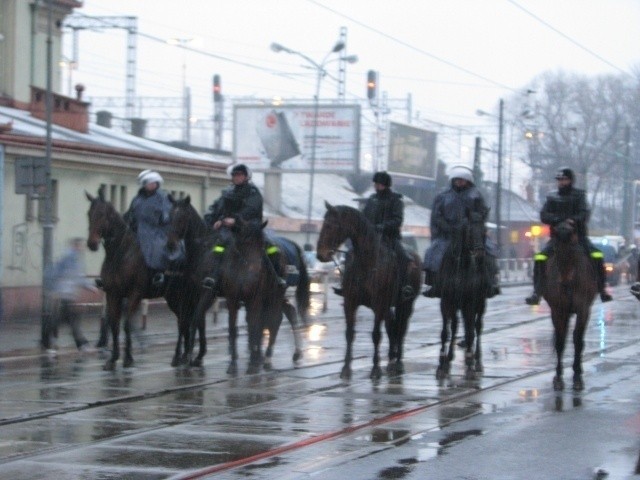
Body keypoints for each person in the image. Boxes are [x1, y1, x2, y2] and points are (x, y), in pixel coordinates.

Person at [525, 167, 613, 305]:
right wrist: (557, 220)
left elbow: (584, 213)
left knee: (597, 255)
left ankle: (602, 289)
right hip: (557, 238)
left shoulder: (579, 196)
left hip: (578, 237)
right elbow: (544, 215)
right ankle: (537, 291)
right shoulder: (552, 197)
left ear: (570, 180)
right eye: (559, 180)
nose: (561, 182)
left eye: (564, 179)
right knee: (540, 257)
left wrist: (573, 220)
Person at [202, 163, 286, 291]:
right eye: (234, 175)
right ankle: (213, 276)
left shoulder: (253, 192)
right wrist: (218, 220)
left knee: (270, 248)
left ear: (246, 176)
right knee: (218, 247)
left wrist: (235, 220)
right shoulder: (227, 193)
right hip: (230, 229)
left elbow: (251, 210)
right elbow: (219, 209)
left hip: (251, 228)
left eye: (240, 175)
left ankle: (277, 277)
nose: (237, 177)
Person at [422, 165, 500, 298]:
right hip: (448, 235)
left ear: (468, 181)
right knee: (433, 253)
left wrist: (470, 224)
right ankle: (433, 282)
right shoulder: (443, 196)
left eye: (462, 180)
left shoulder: (476, 195)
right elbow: (437, 215)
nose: (459, 182)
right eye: (456, 180)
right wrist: (448, 227)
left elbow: (481, 213)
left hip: (472, 233)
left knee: (488, 251)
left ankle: (490, 281)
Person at [333, 171, 414, 299]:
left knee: (404, 257)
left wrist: (382, 226)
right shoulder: (372, 199)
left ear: (386, 185)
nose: (376, 186)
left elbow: (397, 220)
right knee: (350, 254)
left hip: (389, 237)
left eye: (379, 184)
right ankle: (346, 284)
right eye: (376, 184)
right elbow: (364, 217)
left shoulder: (396, 200)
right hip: (371, 238)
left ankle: (404, 286)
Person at [122, 169, 179, 289]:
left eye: (152, 183)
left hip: (157, 231)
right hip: (137, 231)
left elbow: (167, 216)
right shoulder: (137, 198)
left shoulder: (163, 197)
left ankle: (159, 273)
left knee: (156, 248)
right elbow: (130, 214)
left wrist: (161, 220)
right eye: (147, 183)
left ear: (157, 184)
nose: (150, 185)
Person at [45, 238, 97, 354]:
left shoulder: (73, 258)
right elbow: (74, 277)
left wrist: (91, 287)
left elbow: (78, 277)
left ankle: (48, 341)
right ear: (75, 245)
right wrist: (54, 289)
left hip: (67, 294)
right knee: (72, 321)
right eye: (80, 246)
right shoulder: (70, 258)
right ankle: (82, 345)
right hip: (65, 294)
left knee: (63, 320)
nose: (82, 248)